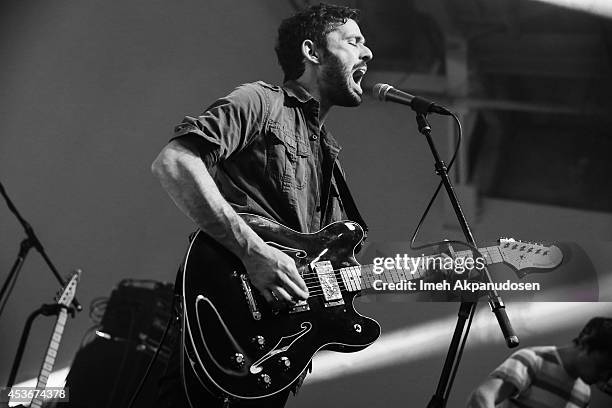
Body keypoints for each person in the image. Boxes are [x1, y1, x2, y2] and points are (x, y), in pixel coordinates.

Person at [151, 3, 372, 407]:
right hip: (230, 317)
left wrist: (427, 272)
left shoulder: (329, 155)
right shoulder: (262, 102)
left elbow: (325, 264)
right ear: (313, 52)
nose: (368, 53)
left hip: (280, 349)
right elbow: (176, 162)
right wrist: (256, 254)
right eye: (354, 41)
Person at [467, 316, 612, 408]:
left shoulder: (584, 394)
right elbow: (482, 396)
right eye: (603, 366)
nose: (604, 377)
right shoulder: (533, 360)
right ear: (586, 344)